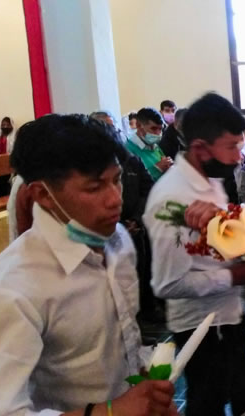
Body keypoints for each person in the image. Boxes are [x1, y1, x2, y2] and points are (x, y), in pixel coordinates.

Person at [0, 114, 176, 415]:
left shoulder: (117, 240)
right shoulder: (13, 289)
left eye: (117, 180)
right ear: (43, 194)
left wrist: (147, 391)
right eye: (94, 188)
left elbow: (124, 339)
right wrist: (110, 411)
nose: (115, 200)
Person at [143, 92, 245, 416]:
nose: (239, 157)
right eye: (231, 147)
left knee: (244, 397)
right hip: (200, 327)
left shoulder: (211, 180)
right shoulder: (170, 198)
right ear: (200, 148)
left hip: (230, 315)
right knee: (207, 405)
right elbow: (167, 284)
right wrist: (234, 276)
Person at [90, 111, 162, 326]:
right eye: (104, 127)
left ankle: (146, 312)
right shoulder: (87, 168)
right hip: (107, 232)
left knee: (141, 270)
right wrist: (118, 223)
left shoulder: (130, 160)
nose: (110, 132)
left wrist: (136, 219)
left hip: (135, 227)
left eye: (112, 127)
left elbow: (147, 189)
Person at [126, 107, 174, 181]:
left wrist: (168, 166)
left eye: (160, 129)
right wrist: (156, 169)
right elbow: (131, 182)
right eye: (153, 128)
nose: (158, 133)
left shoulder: (154, 146)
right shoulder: (128, 150)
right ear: (139, 126)